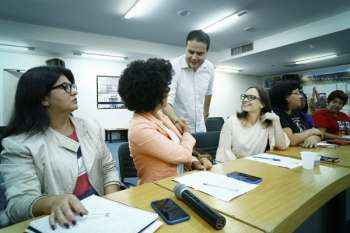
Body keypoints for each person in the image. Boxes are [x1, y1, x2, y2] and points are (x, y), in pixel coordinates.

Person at [0, 66, 120, 229]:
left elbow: (108, 168)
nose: (74, 92)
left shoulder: (90, 126)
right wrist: (52, 202)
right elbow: (19, 203)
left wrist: (111, 204)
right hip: (64, 221)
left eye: (72, 85)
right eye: (65, 87)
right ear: (43, 98)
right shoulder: (19, 144)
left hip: (101, 214)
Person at [118, 58, 212, 185]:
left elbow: (177, 149)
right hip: (158, 190)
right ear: (150, 94)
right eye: (164, 87)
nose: (168, 90)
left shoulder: (160, 115)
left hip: (179, 183)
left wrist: (194, 161)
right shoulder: (140, 128)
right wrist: (187, 134)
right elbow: (181, 154)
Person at [216, 87, 289, 162]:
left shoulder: (266, 121)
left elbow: (282, 146)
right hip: (235, 166)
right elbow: (224, 154)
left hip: (256, 166)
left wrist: (277, 121)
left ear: (262, 104)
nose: (245, 100)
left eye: (251, 97)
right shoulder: (231, 122)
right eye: (245, 97)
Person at [163, 30, 215, 133]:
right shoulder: (173, 67)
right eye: (191, 52)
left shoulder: (209, 68)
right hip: (178, 128)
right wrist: (176, 121)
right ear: (186, 48)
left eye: (200, 53)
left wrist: (205, 115)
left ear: (206, 52)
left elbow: (208, 93)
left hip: (201, 129)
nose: (194, 57)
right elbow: (166, 103)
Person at [269, 81, 323, 148]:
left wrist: (314, 138)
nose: (300, 96)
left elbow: (319, 133)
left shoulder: (297, 112)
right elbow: (291, 140)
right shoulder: (277, 113)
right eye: (296, 93)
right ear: (286, 97)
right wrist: (311, 132)